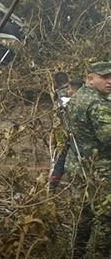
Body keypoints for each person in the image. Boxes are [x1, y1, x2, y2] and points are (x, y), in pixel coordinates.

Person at [66, 61, 111, 258]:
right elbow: (108, 137)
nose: (109, 81)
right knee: (104, 217)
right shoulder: (97, 104)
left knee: (82, 215)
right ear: (90, 79)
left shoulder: (78, 97)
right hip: (98, 169)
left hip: (77, 164)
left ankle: (74, 253)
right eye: (104, 77)